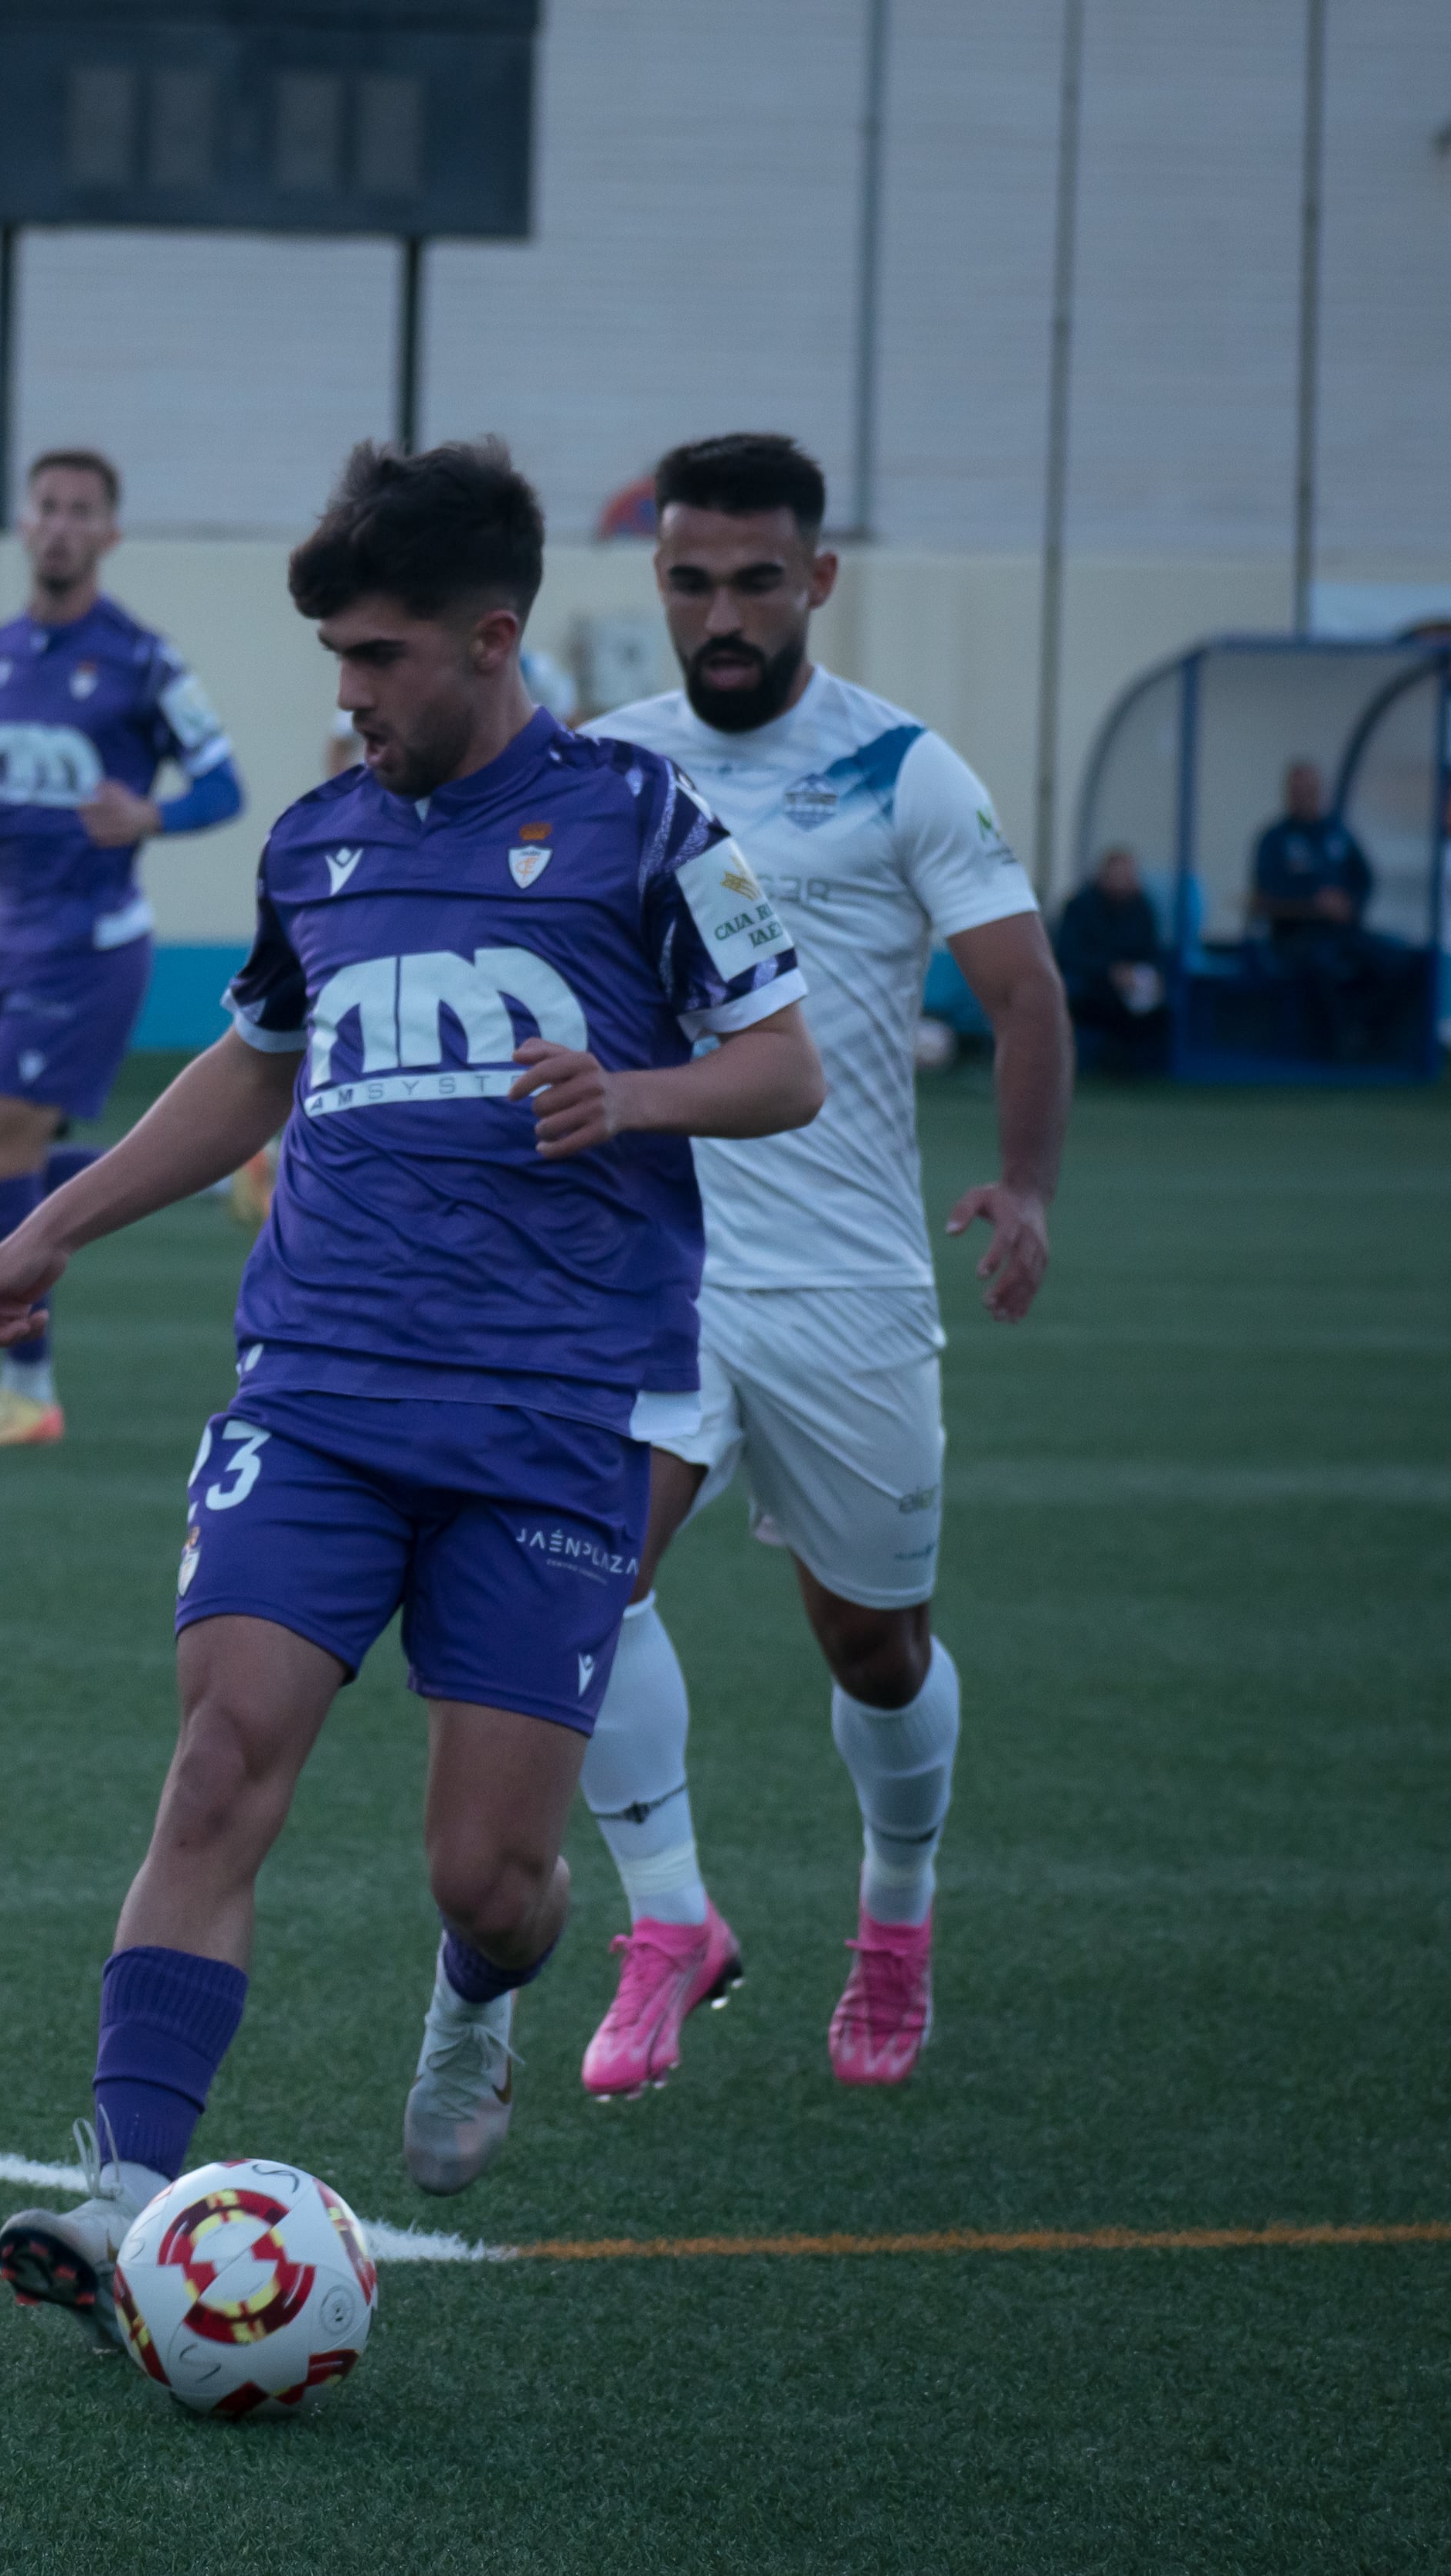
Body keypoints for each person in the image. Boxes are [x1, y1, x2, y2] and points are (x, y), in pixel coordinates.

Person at [0, 440, 822, 2326]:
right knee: (216, 1766)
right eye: (332, 660)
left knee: (492, 1880)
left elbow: (786, 1066)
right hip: (317, 1391)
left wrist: (639, 1094)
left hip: (546, 1416)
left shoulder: (642, 822)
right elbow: (252, 1068)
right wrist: (54, 1232)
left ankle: (471, 2009)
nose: (344, 694)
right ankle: (122, 2187)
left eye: (373, 657)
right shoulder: (315, 840)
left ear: (491, 638)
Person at [571, 431, 1069, 2103]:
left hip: (849, 1287)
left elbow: (1022, 993)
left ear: (817, 581)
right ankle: (669, 1921)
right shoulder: (604, 765)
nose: (721, 612)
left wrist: (1019, 1184)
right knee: (575, 1584)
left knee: (874, 1648)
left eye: (755, 580)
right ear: (660, 582)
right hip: (658, 1274)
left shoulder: (902, 769)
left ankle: (896, 1917)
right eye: (691, 580)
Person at [0, 447, 245, 1447]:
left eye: (81, 510)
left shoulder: (143, 658)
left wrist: (151, 814)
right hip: (11, 940)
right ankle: (240, 1172)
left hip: (91, 944)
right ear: (24, 524)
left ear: (109, 534)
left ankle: (28, 1387)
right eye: (46, 506)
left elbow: (224, 787)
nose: (60, 524)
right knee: (4, 1159)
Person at [1250, 762, 1383, 1055]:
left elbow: (1364, 878)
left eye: (1310, 789)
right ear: (1288, 793)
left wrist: (1349, 903)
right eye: (1298, 790)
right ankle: (1339, 1043)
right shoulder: (1274, 839)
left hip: (1343, 933)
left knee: (1393, 959)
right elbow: (1267, 889)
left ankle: (1370, 1031)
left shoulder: (1337, 832)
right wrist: (1314, 902)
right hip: (1295, 937)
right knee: (1323, 964)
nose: (1305, 795)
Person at [1055, 844, 1169, 1072]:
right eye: (1118, 874)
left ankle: (1133, 1066)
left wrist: (1148, 973)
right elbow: (1068, 953)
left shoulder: (1142, 907)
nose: (1124, 881)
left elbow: (1151, 951)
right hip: (1089, 983)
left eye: (1129, 875)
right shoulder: (1080, 906)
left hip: (1131, 986)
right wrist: (1110, 971)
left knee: (1158, 1005)